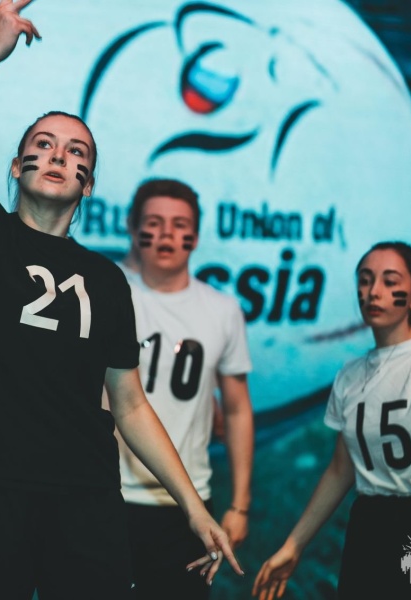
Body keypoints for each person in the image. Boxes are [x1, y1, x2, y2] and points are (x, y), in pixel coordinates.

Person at [0, 1, 243, 597]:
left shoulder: (107, 279)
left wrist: (193, 506)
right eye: (45, 144)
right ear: (17, 165)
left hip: (84, 500)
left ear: (89, 183)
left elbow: (130, 406)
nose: (58, 155)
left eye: (77, 152)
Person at [252, 241, 411, 599]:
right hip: (369, 524)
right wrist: (294, 545)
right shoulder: (350, 376)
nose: (374, 291)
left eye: (389, 280)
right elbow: (340, 469)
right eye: (365, 280)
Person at [119, 178, 254, 599]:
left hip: (188, 505)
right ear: (132, 227)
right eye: (153, 223)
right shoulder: (106, 292)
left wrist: (240, 504)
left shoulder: (222, 309)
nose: (166, 234)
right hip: (105, 496)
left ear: (195, 235)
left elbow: (237, 409)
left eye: (180, 225)